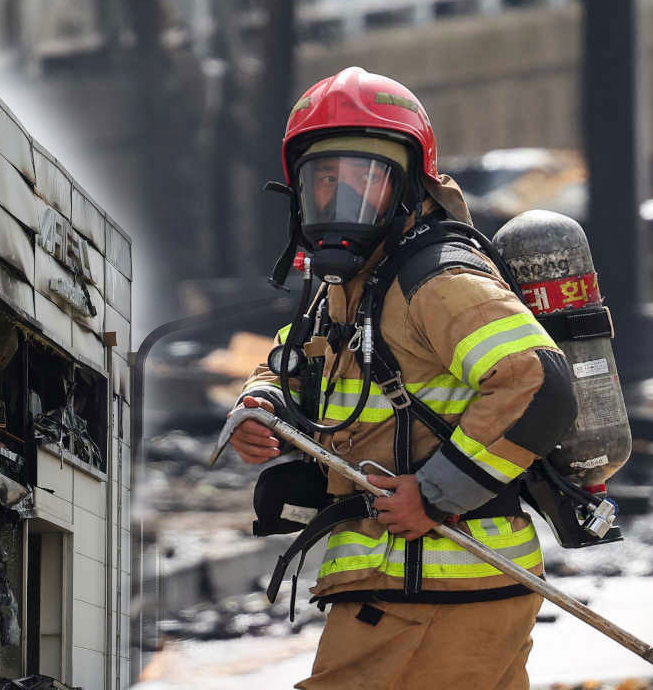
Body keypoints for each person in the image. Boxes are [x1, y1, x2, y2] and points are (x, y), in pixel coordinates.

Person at [227, 67, 578, 689]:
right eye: (324, 179)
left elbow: (537, 383)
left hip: (432, 585)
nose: (341, 199)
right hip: (427, 589)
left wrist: (437, 493)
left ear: (408, 184)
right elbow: (297, 359)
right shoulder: (350, 290)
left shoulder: (435, 280)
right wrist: (264, 400)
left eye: (364, 178)